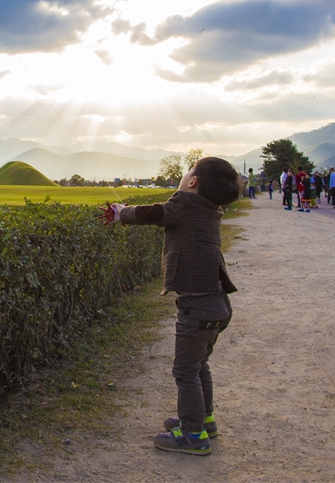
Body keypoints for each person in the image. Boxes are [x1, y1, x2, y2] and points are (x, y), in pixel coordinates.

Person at [108, 157, 241, 456]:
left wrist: (121, 214)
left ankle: (193, 434)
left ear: (192, 182)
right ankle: (203, 420)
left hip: (198, 307)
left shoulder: (184, 204)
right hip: (217, 305)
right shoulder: (210, 210)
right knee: (198, 366)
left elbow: (157, 213)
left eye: (188, 171)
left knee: (184, 371)